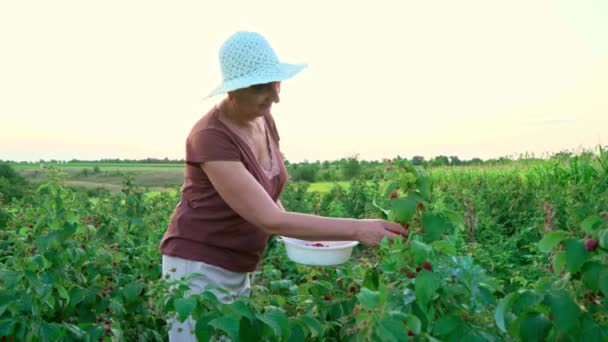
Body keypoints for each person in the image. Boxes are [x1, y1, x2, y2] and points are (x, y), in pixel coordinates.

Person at [159, 31, 405, 341]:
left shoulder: (263, 119)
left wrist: (303, 238)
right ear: (233, 90)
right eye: (261, 87)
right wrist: (357, 229)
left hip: (237, 265)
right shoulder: (210, 136)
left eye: (276, 83)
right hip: (197, 269)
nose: (274, 96)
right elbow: (268, 218)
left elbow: (269, 200)